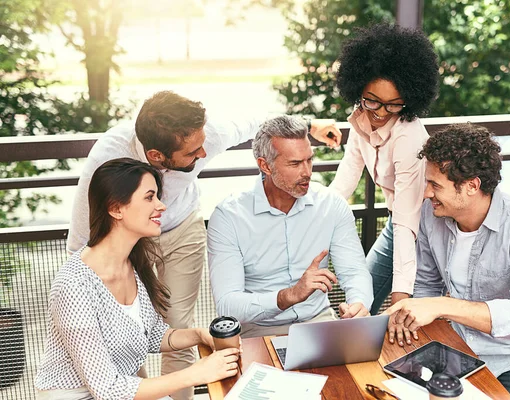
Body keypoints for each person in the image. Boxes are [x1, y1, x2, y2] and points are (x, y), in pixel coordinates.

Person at [65, 91, 340, 400]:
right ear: (156, 156)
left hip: (182, 229)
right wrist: (89, 280)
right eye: (193, 153)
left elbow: (255, 123)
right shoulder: (109, 161)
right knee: (120, 333)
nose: (203, 155)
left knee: (177, 325)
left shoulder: (204, 136)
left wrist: (310, 123)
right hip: (131, 239)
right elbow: (82, 236)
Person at [35, 158, 240, 400]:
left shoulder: (130, 263)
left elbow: (151, 335)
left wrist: (198, 335)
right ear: (116, 209)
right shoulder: (74, 287)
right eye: (149, 197)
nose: (161, 206)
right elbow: (107, 389)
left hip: (120, 388)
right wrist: (196, 373)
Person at [385, 124, 510, 399]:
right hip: (456, 347)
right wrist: (407, 322)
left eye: (435, 185)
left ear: (471, 186)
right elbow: (426, 286)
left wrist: (444, 305)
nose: (426, 193)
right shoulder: (432, 219)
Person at [207, 115, 374, 338]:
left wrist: (359, 304)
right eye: (295, 163)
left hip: (318, 321)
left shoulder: (332, 205)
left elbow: (354, 272)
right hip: (258, 329)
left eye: (309, 160)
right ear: (265, 165)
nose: (307, 172)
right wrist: (289, 295)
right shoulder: (228, 216)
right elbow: (228, 305)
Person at [329, 23, 439, 323]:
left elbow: (407, 222)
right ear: (358, 89)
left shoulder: (408, 136)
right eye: (372, 100)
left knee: (407, 317)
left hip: (425, 227)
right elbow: (348, 172)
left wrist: (401, 295)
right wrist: (318, 218)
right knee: (361, 300)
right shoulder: (361, 120)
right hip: (397, 222)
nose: (379, 112)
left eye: (392, 105)